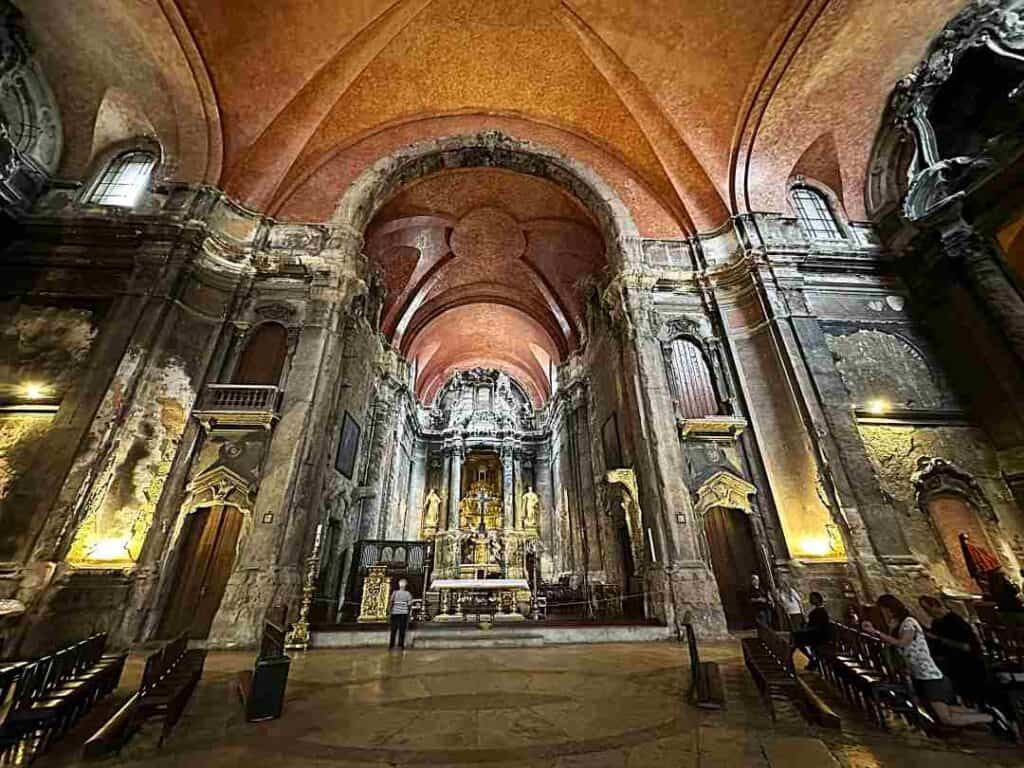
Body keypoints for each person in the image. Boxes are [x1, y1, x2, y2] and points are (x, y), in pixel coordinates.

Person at [862, 594, 992, 728]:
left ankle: (988, 718)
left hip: (930, 674)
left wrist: (876, 632)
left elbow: (902, 643)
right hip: (921, 673)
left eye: (884, 610)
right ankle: (985, 715)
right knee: (943, 710)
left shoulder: (909, 622)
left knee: (946, 717)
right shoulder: (901, 624)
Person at [919, 595, 985, 705]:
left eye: (927, 609)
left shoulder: (955, 621)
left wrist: (940, 640)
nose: (927, 612)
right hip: (953, 665)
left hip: (969, 665)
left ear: (935, 606)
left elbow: (968, 647)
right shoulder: (936, 623)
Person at [792, 592, 833, 670]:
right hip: (815, 633)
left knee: (797, 638)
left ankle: (812, 659)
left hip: (819, 636)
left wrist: (805, 629)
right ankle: (812, 660)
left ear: (817, 599)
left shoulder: (821, 612)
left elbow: (818, 626)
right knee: (797, 636)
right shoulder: (817, 611)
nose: (810, 599)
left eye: (812, 598)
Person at [388, 578, 414, 651]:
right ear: (405, 586)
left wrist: (390, 612)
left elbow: (391, 602)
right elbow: (409, 604)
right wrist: (409, 614)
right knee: (402, 630)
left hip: (395, 613)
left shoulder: (394, 593)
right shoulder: (408, 594)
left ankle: (391, 645)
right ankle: (401, 645)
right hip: (403, 613)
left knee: (393, 630)